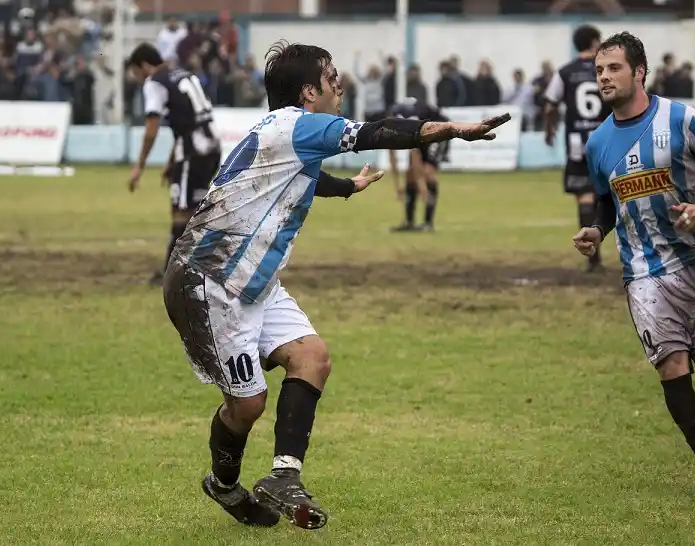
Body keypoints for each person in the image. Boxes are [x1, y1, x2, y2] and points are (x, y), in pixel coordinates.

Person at [162, 40, 510, 530]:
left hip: (253, 282)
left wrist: (347, 187)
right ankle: (223, 485)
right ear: (309, 91)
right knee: (248, 406)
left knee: (312, 357)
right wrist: (453, 129)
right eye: (331, 75)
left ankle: (284, 477)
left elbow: (302, 176)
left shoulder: (280, 132)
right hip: (210, 282)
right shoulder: (298, 125)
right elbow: (380, 132)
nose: (339, 83)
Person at [572, 32, 695, 497]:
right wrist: (596, 231)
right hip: (643, 274)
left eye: (613, 68)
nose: (604, 78)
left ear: (639, 72)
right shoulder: (597, 144)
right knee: (671, 366)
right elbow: (606, 206)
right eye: (599, 70)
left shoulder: (682, 119)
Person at [126, 43, 222, 285]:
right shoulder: (182, 73)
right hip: (211, 146)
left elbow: (151, 129)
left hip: (192, 151)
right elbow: (187, 118)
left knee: (181, 211)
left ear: (144, 66)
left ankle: (173, 274)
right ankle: (204, 267)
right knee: (196, 207)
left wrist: (139, 166)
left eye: (136, 73)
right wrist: (171, 160)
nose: (138, 79)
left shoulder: (155, 82)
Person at [544, 24, 611, 272]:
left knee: (585, 197)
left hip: (577, 144)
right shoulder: (605, 69)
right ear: (594, 43)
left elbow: (550, 105)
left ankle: (593, 259)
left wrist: (549, 130)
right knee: (616, 195)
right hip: (607, 141)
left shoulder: (564, 73)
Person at [387, 97, 450, 232]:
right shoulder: (388, 128)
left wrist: (422, 187)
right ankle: (409, 222)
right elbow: (392, 155)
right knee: (410, 175)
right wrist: (397, 185)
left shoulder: (407, 128)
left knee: (427, 173)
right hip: (422, 133)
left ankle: (428, 224)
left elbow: (415, 157)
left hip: (439, 130)